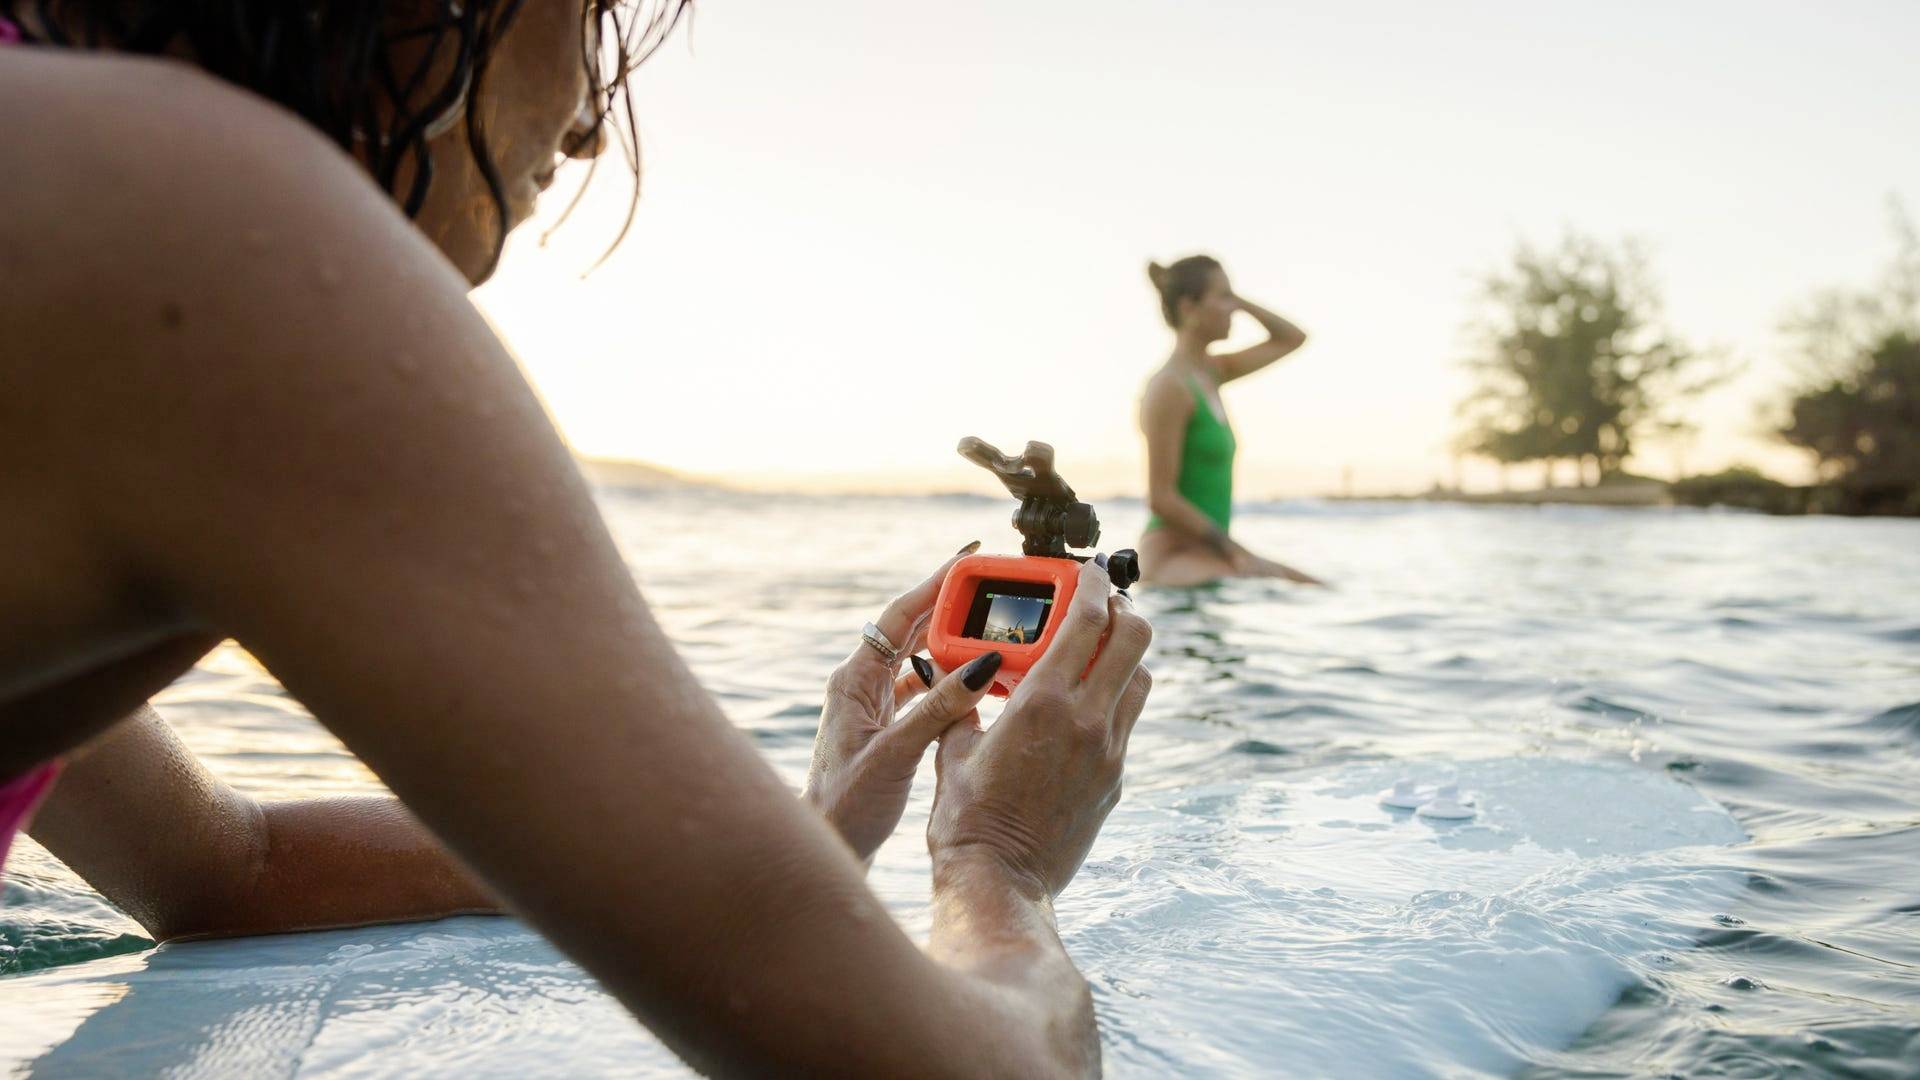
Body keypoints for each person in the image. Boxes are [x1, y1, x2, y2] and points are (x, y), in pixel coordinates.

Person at [0, 2, 1155, 1075]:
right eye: (588, 13)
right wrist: (998, 864)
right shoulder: (209, 224)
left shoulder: (68, 163)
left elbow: (219, 871)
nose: (594, 121)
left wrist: (785, 844)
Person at [1135, 255, 1322, 587]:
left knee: (1317, 589)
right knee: (1272, 587)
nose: (1232, 308)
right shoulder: (1169, 387)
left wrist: (1239, 300)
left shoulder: (1212, 372)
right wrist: (1236, 551)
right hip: (1172, 557)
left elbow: (1292, 338)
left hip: (1210, 553)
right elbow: (1161, 498)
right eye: (1222, 297)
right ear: (1189, 307)